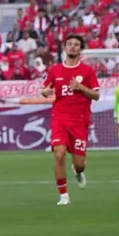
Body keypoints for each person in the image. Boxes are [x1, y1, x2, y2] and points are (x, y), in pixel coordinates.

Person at [41, 34, 100, 204]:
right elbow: (46, 88)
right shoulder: (55, 70)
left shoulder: (87, 71)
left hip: (79, 121)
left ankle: (78, 170)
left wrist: (80, 87)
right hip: (59, 118)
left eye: (76, 45)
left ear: (80, 50)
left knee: (80, 163)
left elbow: (96, 95)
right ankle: (64, 195)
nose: (72, 47)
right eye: (70, 44)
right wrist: (44, 92)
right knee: (59, 154)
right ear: (66, 48)